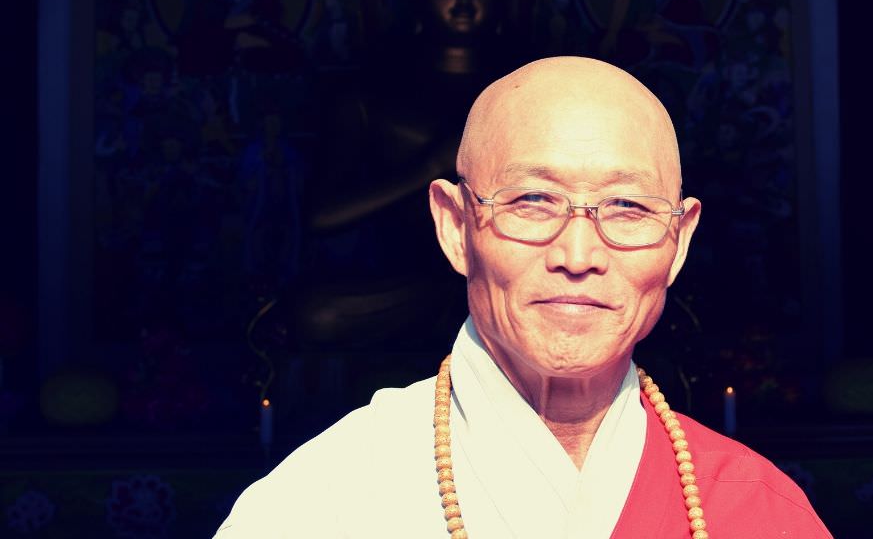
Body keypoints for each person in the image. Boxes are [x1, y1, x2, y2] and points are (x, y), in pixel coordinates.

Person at [215, 56, 832, 538]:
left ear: (680, 239)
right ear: (455, 227)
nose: (579, 255)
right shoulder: (328, 504)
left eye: (629, 207)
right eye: (532, 201)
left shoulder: (753, 508)